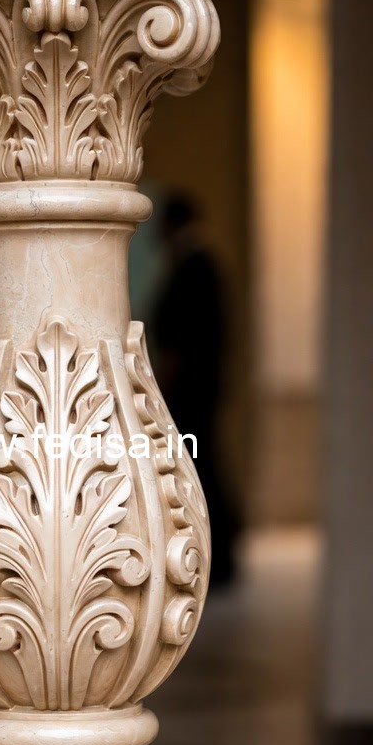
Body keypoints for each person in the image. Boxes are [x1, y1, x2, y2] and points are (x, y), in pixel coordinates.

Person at [152, 191, 238, 586]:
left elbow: (182, 336)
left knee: (200, 467)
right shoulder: (200, 265)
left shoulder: (194, 268)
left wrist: (168, 384)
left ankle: (217, 555)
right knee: (204, 465)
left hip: (191, 391)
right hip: (199, 388)